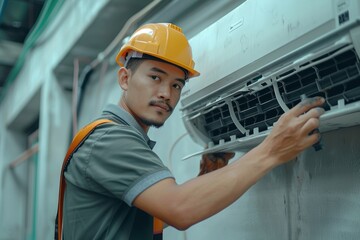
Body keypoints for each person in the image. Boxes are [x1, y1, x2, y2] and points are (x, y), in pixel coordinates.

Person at [59, 23, 324, 239]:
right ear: (125, 79)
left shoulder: (118, 139)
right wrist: (272, 150)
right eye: (155, 77)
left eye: (176, 85)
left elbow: (152, 218)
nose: (166, 94)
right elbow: (180, 210)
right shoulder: (110, 139)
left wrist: (205, 179)